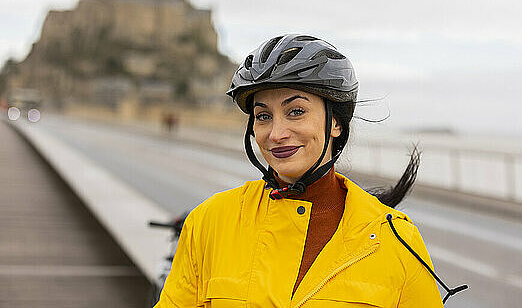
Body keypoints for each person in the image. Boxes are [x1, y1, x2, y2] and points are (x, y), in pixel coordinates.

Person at [155, 34, 466, 307]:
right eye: (263, 116)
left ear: (336, 123)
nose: (276, 133)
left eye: (296, 112)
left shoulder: (397, 239)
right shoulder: (210, 221)